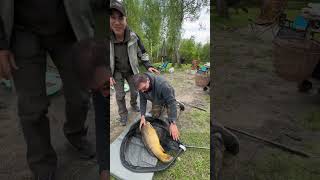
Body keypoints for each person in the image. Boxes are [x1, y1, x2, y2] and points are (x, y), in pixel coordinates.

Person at [0, 1, 105, 179]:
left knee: (80, 95)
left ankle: (75, 133)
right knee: (31, 108)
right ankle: (42, 165)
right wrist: (1, 45)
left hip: (69, 28)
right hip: (22, 32)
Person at [109, 0, 160, 126]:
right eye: (113, 18)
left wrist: (149, 65)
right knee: (120, 95)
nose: (117, 22)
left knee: (134, 92)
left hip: (131, 70)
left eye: (120, 18)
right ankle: (123, 115)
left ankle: (133, 104)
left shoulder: (133, 36)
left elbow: (142, 52)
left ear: (126, 19)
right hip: (116, 72)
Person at [71, 38, 109, 180]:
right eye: (96, 90)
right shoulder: (100, 88)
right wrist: (104, 168)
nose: (105, 94)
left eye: (106, 86)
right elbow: (102, 128)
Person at [133, 72, 180, 141]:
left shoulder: (163, 85)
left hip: (168, 100)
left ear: (148, 80)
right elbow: (142, 100)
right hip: (157, 100)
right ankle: (162, 106)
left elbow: (171, 103)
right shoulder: (141, 86)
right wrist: (142, 116)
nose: (142, 91)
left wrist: (173, 123)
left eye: (144, 88)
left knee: (168, 121)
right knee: (155, 116)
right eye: (141, 90)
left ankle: (178, 105)